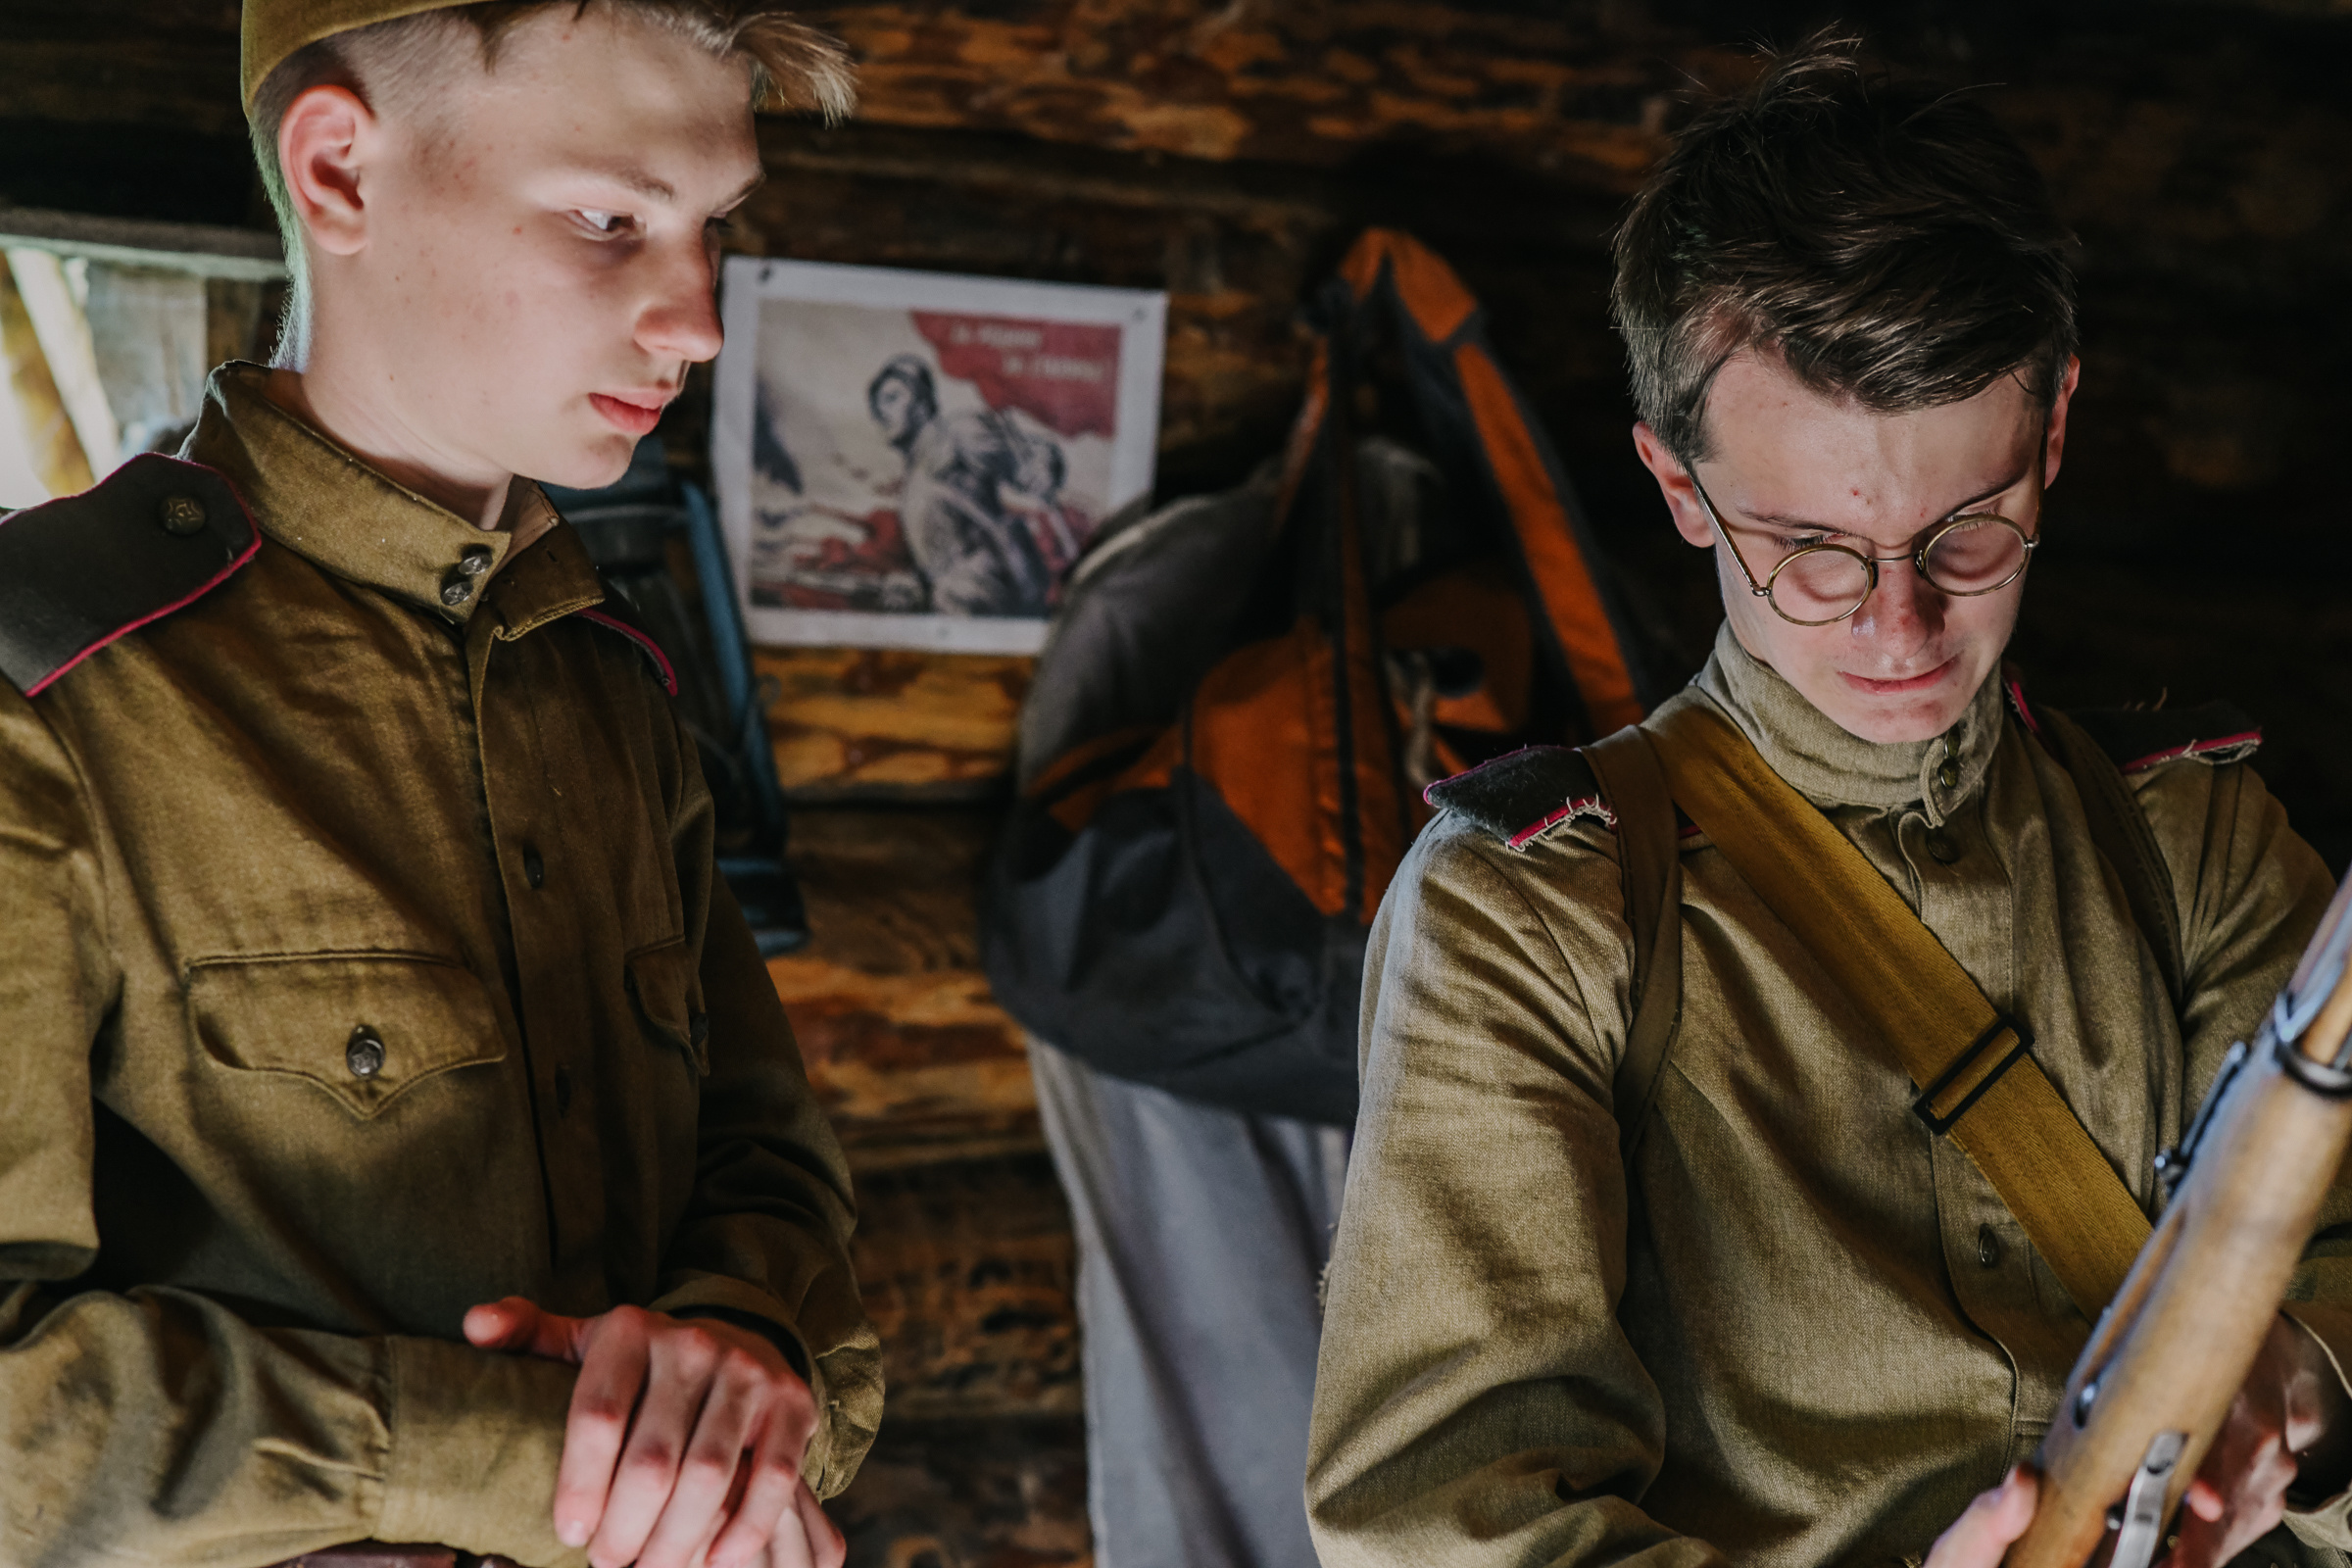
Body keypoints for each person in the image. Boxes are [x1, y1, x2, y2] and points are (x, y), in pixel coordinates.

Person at [1305, 37, 2352, 1568]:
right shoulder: (1535, 911)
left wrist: (2304, 1402)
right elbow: (1442, 1525)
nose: (1899, 626)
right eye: (1812, 547)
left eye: (1969, 532)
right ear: (1679, 487)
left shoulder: (2191, 846)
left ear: (2050, 436)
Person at [0, 4, 879, 1567]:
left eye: (713, 229)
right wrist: (548, 1460)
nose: (697, 322)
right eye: (612, 219)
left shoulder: (611, 686)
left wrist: (739, 1347)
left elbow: (770, 1177)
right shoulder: (42, 684)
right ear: (340, 172)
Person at [866, 353, 1068, 615]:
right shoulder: (915, 474)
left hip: (988, 593)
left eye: (892, 398)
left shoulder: (955, 432)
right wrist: (917, 584)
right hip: (957, 602)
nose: (882, 412)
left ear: (921, 400)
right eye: (877, 405)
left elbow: (1032, 459)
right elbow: (948, 550)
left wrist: (1041, 467)